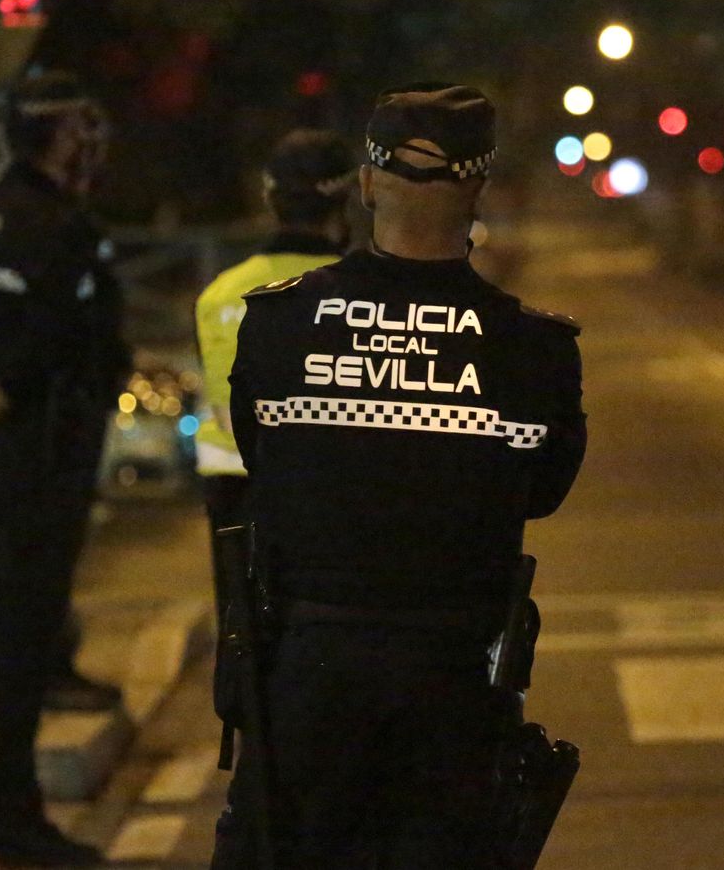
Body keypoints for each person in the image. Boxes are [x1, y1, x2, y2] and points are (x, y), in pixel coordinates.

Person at [211, 83, 586, 868]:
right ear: (477, 187)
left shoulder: (276, 324)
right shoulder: (536, 351)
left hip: (305, 681)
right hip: (450, 688)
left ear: (369, 183)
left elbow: (260, 458)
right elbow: (543, 491)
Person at [0, 70, 127, 866]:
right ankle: (13, 810)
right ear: (63, 134)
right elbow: (48, 346)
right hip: (36, 455)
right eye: (81, 128)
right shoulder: (62, 226)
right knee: (22, 639)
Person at [194, 130, 356, 612]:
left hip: (235, 489)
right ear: (344, 199)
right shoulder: (365, 291)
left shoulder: (222, 293)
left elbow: (224, 402)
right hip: (337, 490)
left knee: (244, 632)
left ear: (270, 200)